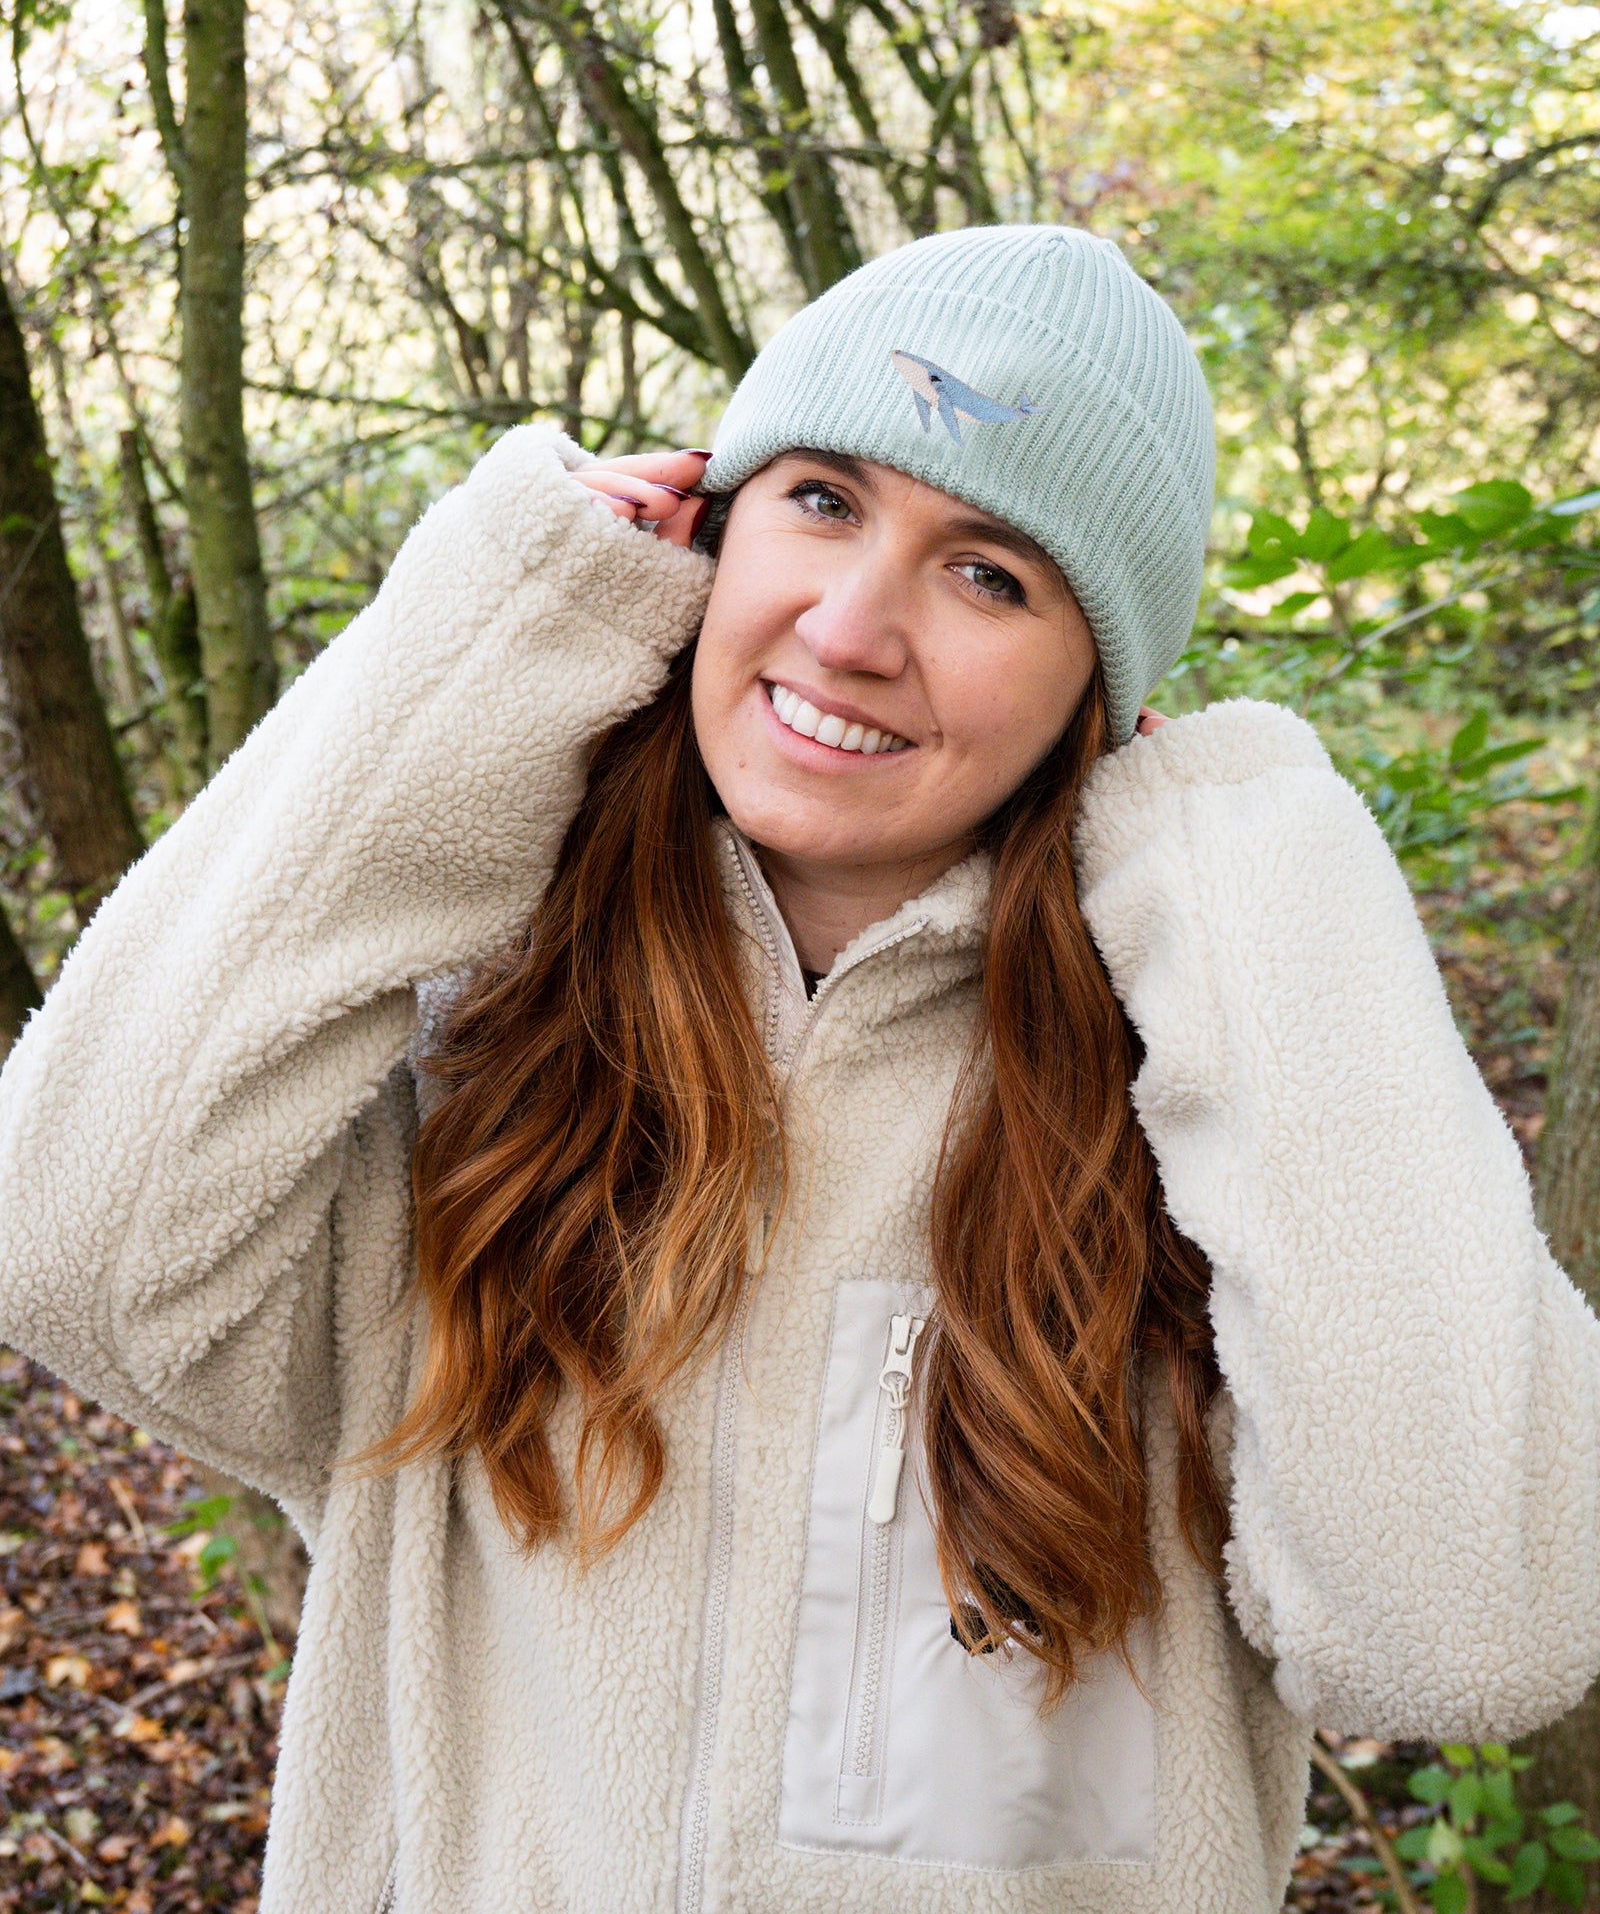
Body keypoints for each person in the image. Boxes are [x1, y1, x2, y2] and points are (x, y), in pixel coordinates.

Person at [0, 225, 1596, 1914]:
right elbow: (64, 1247)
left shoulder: (1199, 1129)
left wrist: (1252, 869)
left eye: (991, 574)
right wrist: (494, 637)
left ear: (1097, 691)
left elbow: (1470, 1639)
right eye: (820, 499)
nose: (847, 629)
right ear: (708, 525)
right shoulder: (474, 1065)